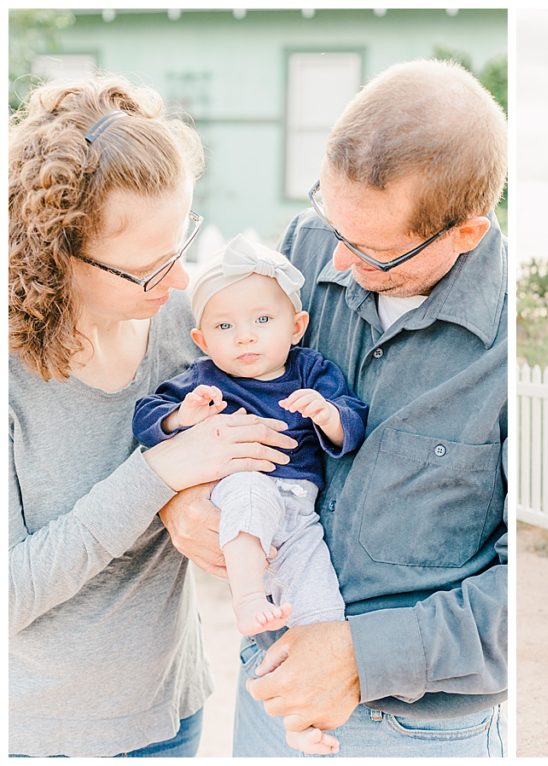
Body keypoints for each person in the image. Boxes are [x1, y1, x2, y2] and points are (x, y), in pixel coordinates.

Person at [158, 59, 508, 757]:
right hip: (268, 688)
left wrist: (365, 654)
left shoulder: (507, 341)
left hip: (411, 730)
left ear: (465, 233)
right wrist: (185, 498)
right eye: (331, 220)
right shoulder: (306, 244)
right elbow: (207, 385)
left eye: (372, 251)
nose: (338, 263)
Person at [8, 76, 295, 757]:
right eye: (148, 269)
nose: (179, 284)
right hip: (36, 734)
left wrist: (188, 496)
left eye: (181, 247)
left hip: (171, 716)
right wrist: (158, 472)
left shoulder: (180, 332)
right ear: (55, 257)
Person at [132, 235, 368, 755]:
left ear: (296, 326)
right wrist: (184, 417)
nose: (245, 338)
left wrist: (327, 415)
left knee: (320, 606)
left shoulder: (310, 371)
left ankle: (302, 721)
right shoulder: (203, 380)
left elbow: (352, 417)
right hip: (238, 491)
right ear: (201, 338)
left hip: (300, 513)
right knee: (252, 495)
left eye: (263, 321)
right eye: (224, 326)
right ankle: (246, 597)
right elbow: (147, 418)